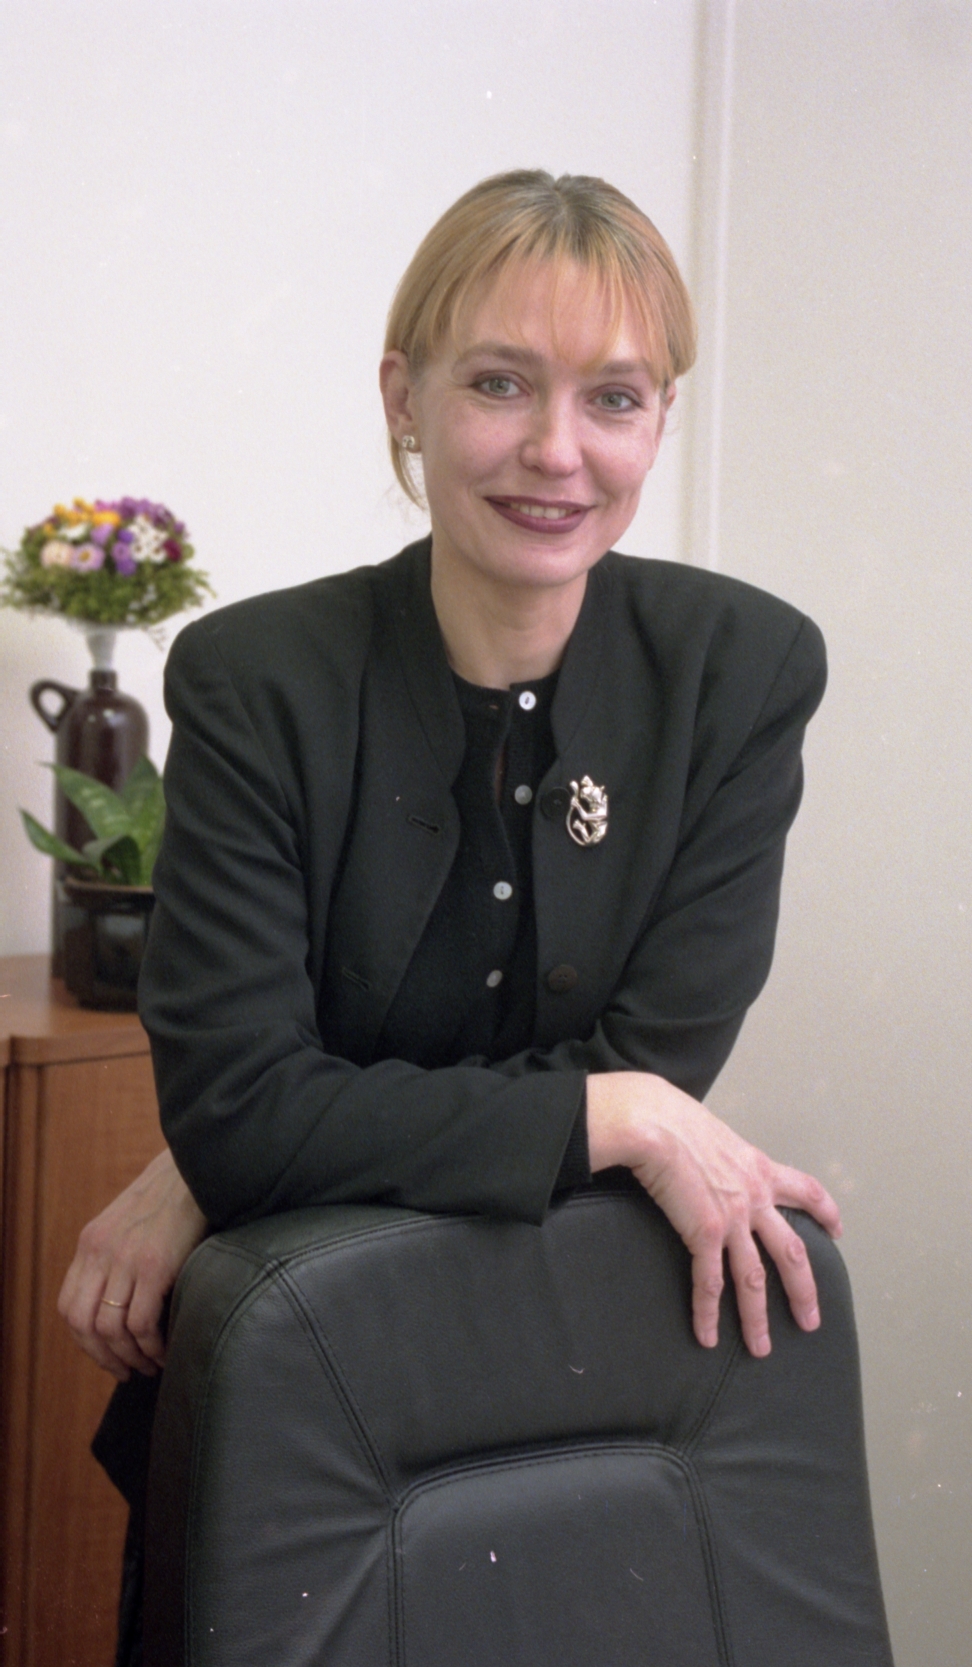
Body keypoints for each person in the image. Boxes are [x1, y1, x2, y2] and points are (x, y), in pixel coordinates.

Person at [58, 170, 871, 1659]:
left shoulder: (742, 673)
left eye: (613, 397)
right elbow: (251, 1105)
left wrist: (237, 1164)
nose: (557, 451)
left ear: (660, 421)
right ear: (405, 399)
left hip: (598, 1396)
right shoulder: (258, 682)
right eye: (499, 383)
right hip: (306, 1425)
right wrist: (614, 1112)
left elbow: (269, 1115)